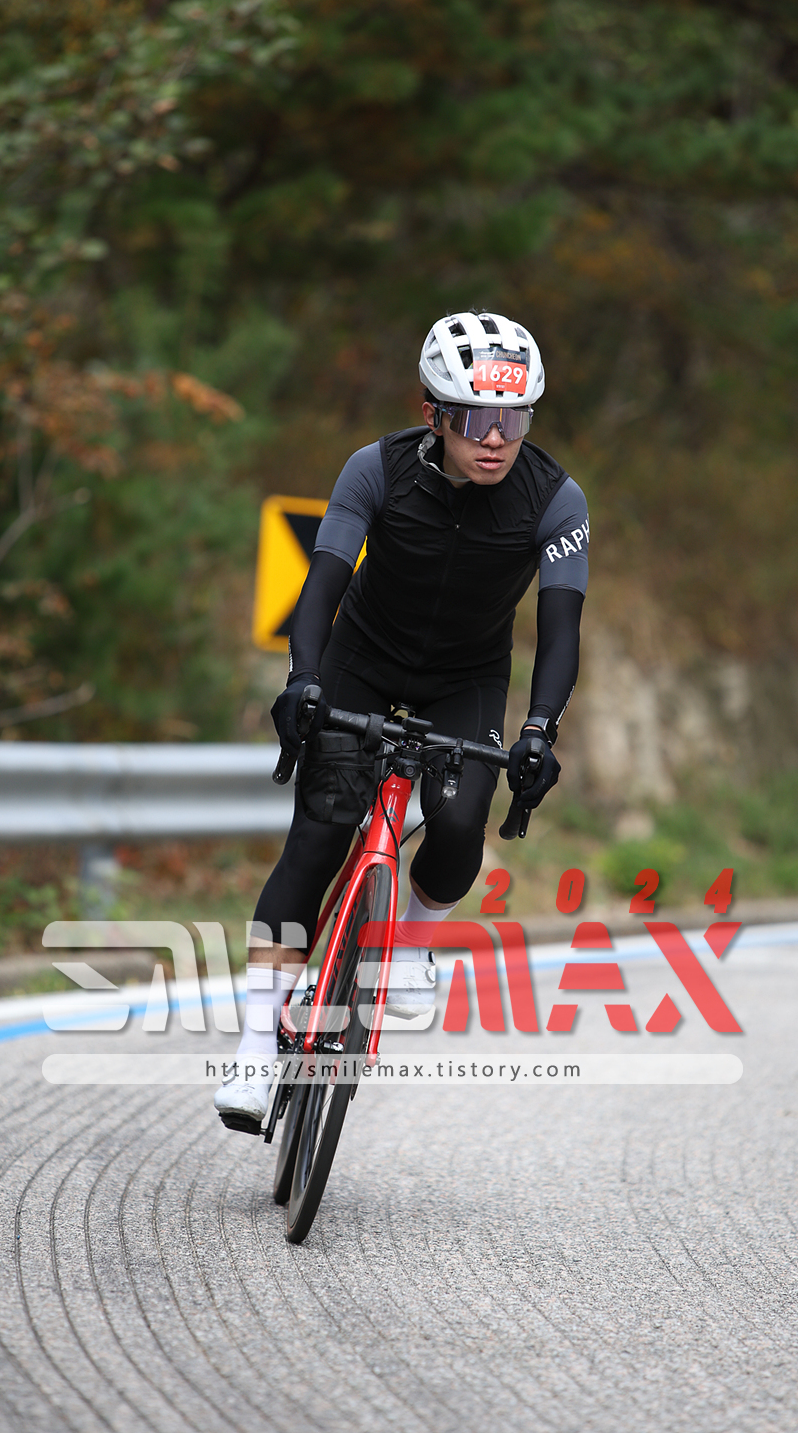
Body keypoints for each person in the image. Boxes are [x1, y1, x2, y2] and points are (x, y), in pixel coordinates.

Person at [214, 310, 589, 1129]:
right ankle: (254, 1051)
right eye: (478, 419)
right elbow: (323, 582)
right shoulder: (375, 469)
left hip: (468, 679)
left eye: (516, 418)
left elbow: (561, 631)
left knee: (458, 824)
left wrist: (539, 730)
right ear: (434, 414)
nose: (498, 439)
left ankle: (411, 943)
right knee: (320, 834)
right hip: (362, 660)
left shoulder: (555, 498)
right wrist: (304, 679)